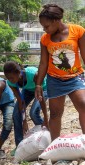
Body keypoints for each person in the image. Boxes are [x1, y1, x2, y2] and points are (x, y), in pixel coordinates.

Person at [35, 4, 85, 141]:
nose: (44, 29)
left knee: (83, 105)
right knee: (56, 114)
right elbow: (43, 63)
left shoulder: (77, 31)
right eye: (43, 27)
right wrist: (38, 85)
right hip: (55, 80)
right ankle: (55, 145)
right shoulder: (45, 39)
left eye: (46, 26)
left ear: (56, 21)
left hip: (76, 77)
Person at [3, 61, 49, 148]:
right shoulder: (10, 82)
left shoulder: (33, 75)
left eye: (12, 78)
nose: (10, 80)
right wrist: (24, 121)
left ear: (19, 73)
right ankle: (19, 146)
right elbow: (21, 101)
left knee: (34, 113)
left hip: (43, 88)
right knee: (16, 114)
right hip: (28, 89)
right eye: (8, 78)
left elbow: (41, 98)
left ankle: (45, 135)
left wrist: (46, 119)